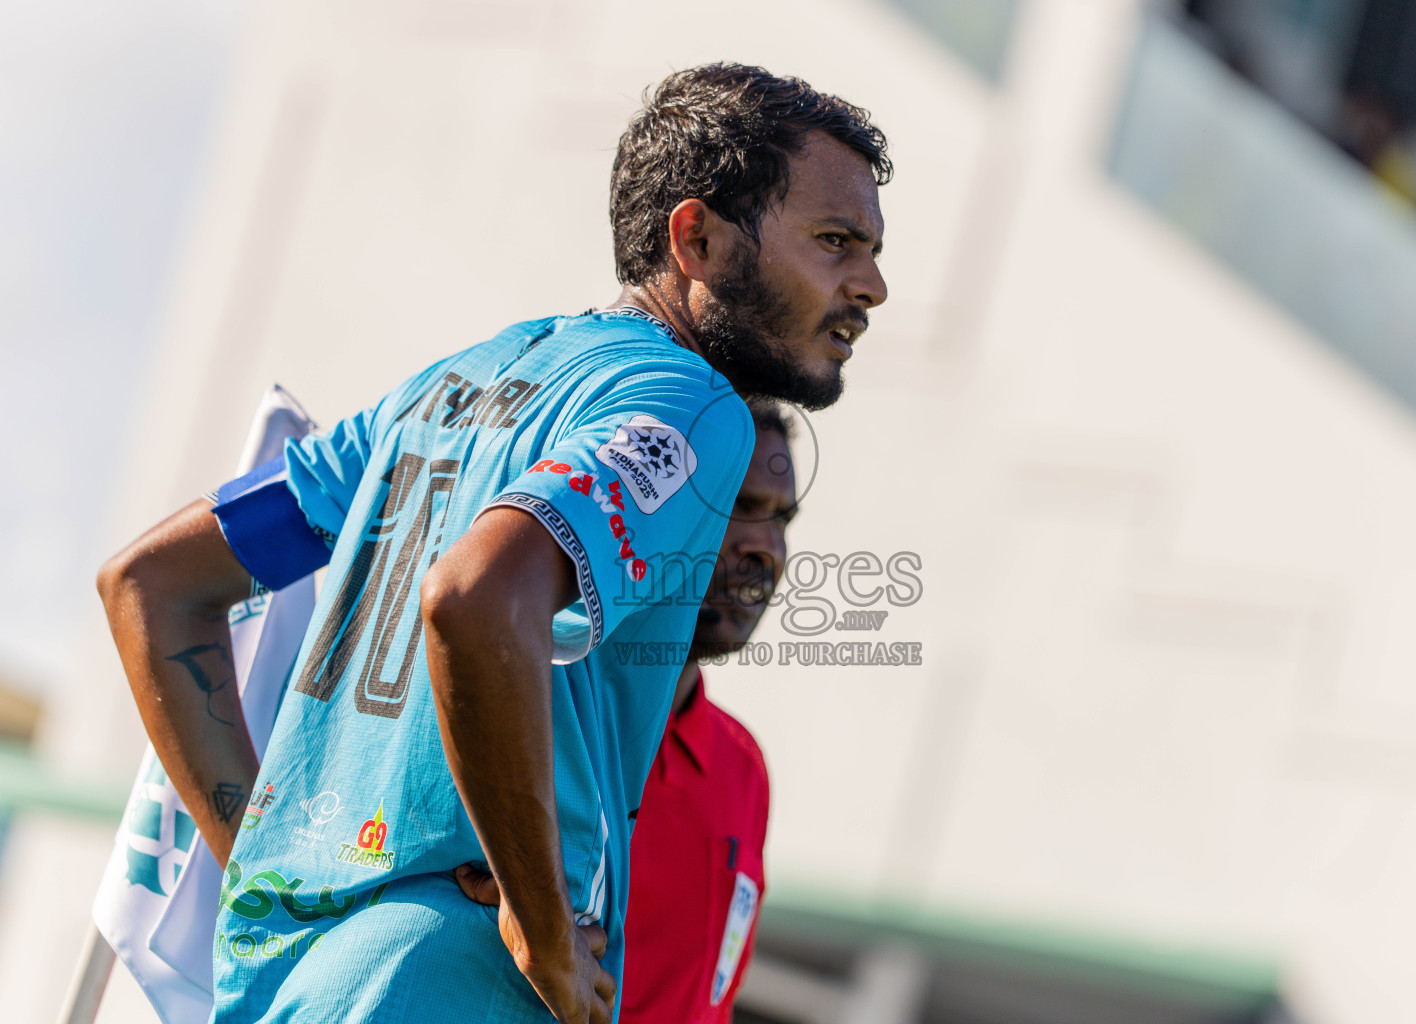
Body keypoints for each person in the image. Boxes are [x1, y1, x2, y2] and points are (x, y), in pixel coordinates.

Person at [95, 63, 888, 1024]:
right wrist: (542, 921)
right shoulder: (696, 408)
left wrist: (266, 857)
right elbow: (473, 601)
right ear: (698, 237)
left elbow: (152, 582)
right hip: (447, 982)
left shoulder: (449, 384)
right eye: (835, 242)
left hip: (295, 983)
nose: (872, 286)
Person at [456, 404, 796, 1022]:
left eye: (782, 519)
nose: (766, 548)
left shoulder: (740, 766)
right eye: (738, 506)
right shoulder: (535, 712)